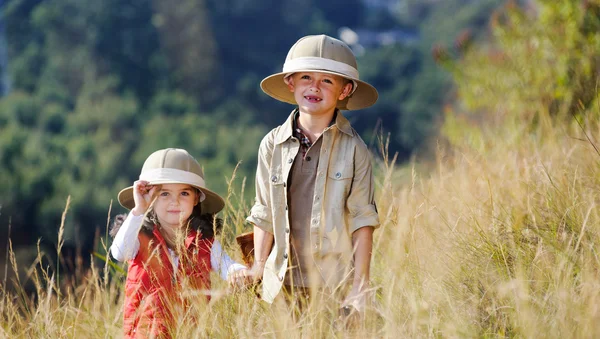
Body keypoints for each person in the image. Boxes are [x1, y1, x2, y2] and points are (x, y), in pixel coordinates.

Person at [246, 34, 380, 317]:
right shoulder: (272, 144)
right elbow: (264, 210)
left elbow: (362, 219)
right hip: (280, 284)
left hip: (333, 285)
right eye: (306, 77)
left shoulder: (355, 149)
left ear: (344, 91)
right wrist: (258, 266)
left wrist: (361, 285)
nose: (314, 87)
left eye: (327, 80)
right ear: (291, 83)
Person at [110, 148, 249, 338]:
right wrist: (139, 210)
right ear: (150, 198)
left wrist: (237, 272)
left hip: (189, 333)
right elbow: (119, 253)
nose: (174, 202)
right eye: (164, 194)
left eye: (184, 193)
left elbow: (225, 263)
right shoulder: (139, 236)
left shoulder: (204, 242)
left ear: (196, 199)